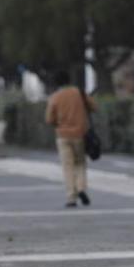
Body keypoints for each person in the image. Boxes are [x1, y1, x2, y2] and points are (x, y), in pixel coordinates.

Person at [45, 70, 95, 208]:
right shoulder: (79, 92)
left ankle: (71, 197)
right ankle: (81, 188)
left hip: (62, 135)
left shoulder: (55, 97)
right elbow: (94, 106)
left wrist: (59, 122)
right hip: (79, 134)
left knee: (67, 166)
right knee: (80, 163)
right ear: (69, 79)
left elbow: (49, 119)